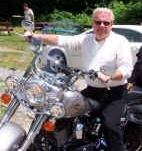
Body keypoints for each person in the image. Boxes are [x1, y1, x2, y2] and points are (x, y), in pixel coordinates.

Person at [25, 8, 133, 151]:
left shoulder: (120, 41)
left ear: (111, 24)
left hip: (113, 93)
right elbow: (63, 40)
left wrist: (110, 75)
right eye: (98, 22)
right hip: (91, 90)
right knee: (63, 110)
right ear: (92, 23)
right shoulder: (87, 39)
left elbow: (126, 69)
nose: (102, 26)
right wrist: (37, 36)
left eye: (106, 23)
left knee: (110, 126)